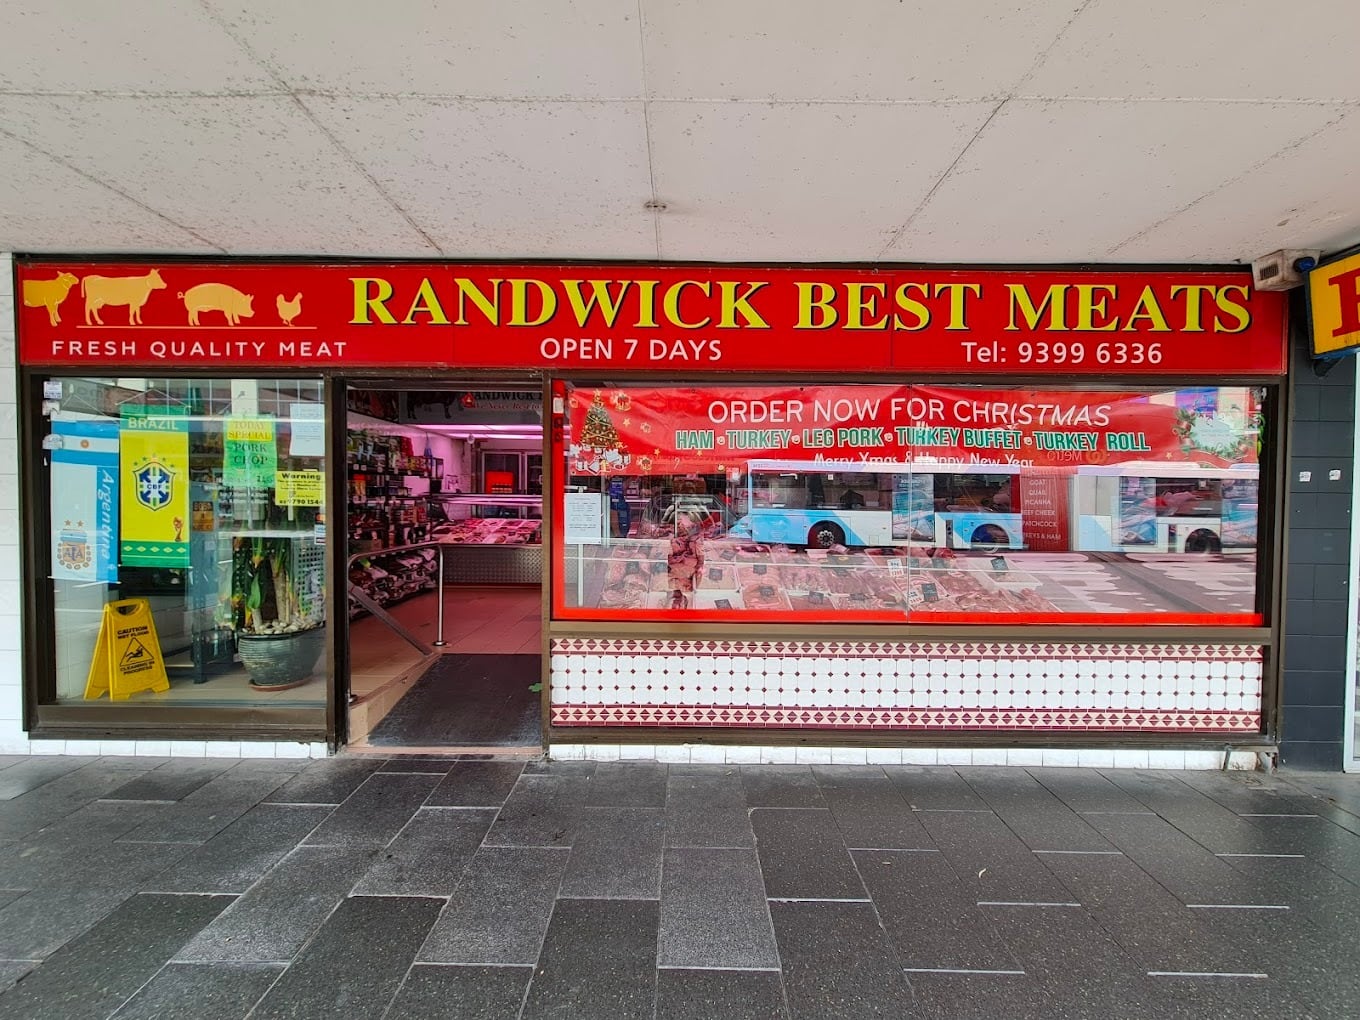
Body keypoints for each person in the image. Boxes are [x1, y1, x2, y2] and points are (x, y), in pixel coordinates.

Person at [666, 506, 705, 609]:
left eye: (684, 525)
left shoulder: (696, 541)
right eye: (678, 523)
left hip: (685, 578)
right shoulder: (670, 540)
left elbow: (699, 563)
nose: (681, 526)